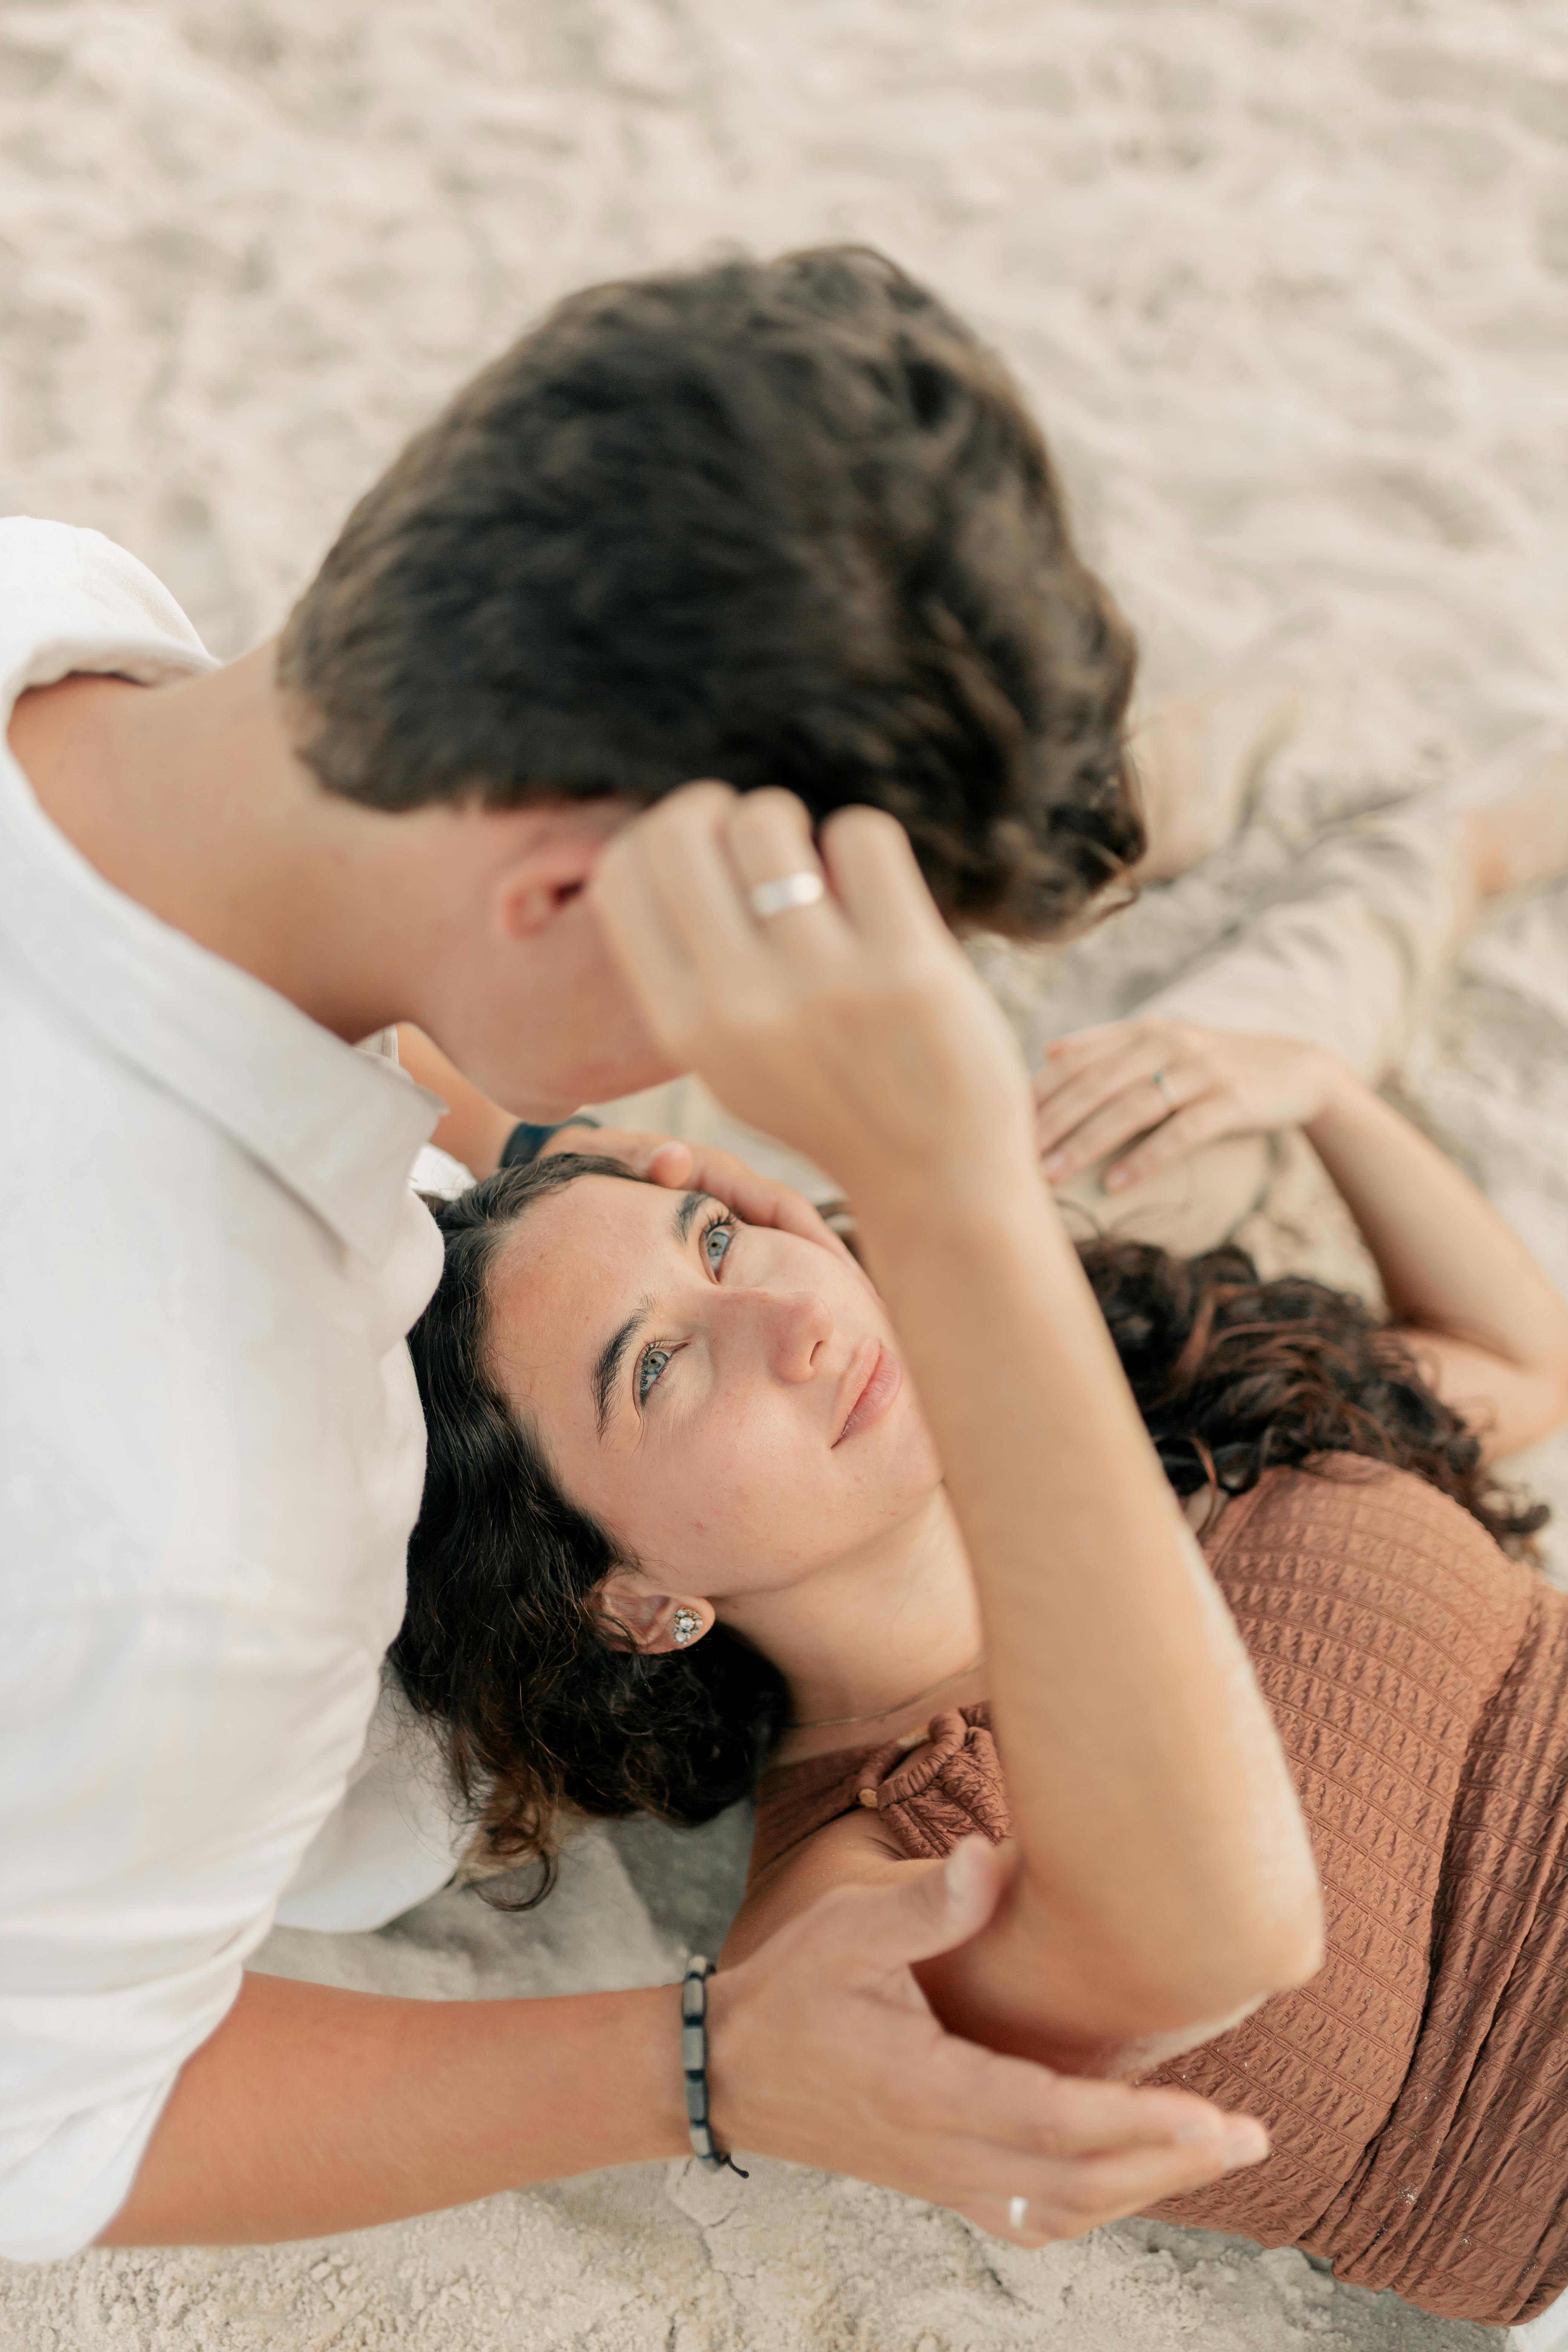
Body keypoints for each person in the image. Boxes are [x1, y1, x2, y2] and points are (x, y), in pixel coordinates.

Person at [0, 244, 1284, 2266]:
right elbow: (54, 2132)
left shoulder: (47, 606)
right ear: (569, 892)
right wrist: (701, 2065)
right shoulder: (229, 1557)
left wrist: (554, 1142)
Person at [398, 775, 1568, 2334]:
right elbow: (1211, 1938)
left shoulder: (1155, 1424)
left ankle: (1422, 819)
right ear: (631, 1598)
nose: (790, 1321)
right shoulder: (854, 1886)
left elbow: (1513, 1372)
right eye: (661, 1369)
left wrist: (1316, 1092)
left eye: (722, 1242)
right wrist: (941, 1201)